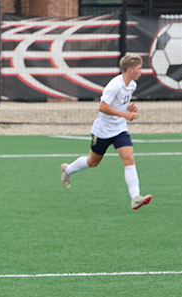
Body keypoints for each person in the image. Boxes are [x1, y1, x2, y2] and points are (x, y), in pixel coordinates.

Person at [60, 54, 152, 210]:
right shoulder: (114, 85)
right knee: (92, 162)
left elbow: (119, 103)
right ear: (130, 70)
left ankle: (135, 197)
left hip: (120, 130)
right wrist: (125, 114)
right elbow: (102, 107)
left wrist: (127, 107)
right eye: (139, 68)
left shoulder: (132, 85)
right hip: (102, 131)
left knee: (129, 158)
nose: (141, 71)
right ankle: (67, 171)